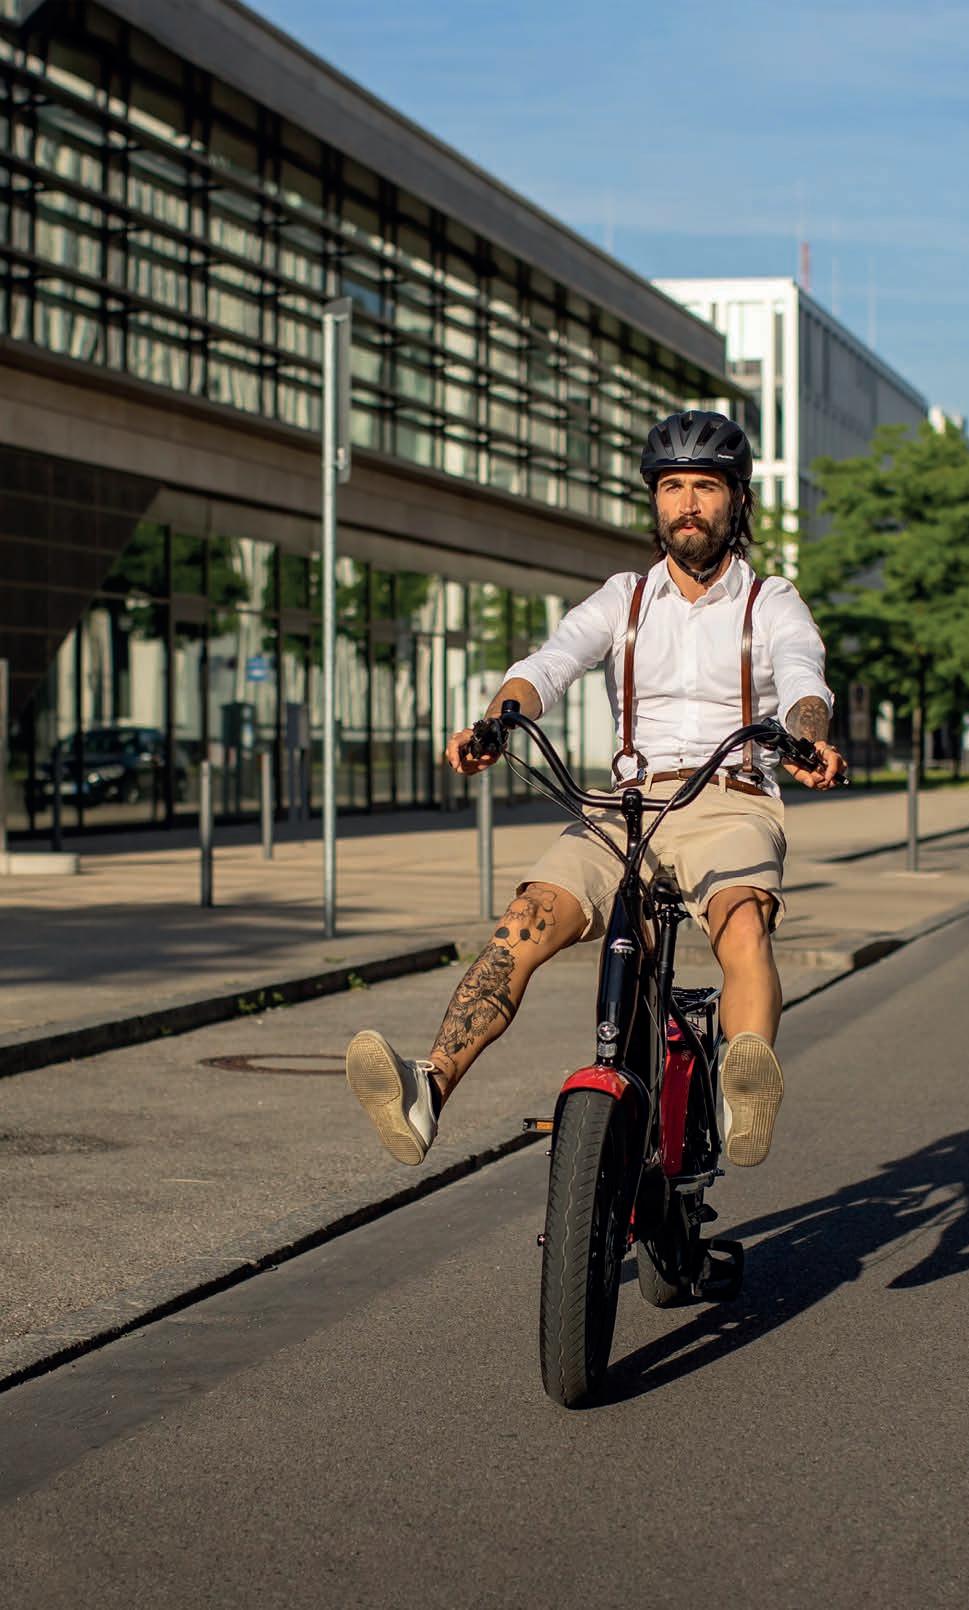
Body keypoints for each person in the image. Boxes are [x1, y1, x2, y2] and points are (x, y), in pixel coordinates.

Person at [345, 410, 846, 1170]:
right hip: (625, 805)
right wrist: (495, 721)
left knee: (741, 922)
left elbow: (805, 677)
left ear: (737, 501)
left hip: (730, 796)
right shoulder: (625, 598)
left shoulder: (769, 601)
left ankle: (742, 1090)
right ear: (654, 501)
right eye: (672, 487)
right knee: (525, 919)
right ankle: (427, 1090)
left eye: (705, 488)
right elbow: (551, 663)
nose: (687, 504)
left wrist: (807, 736)